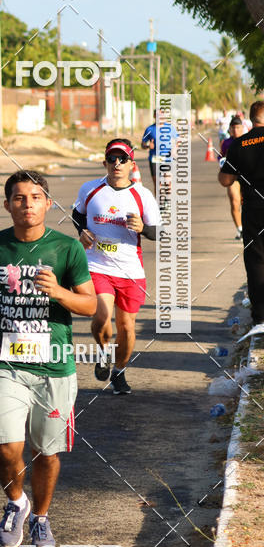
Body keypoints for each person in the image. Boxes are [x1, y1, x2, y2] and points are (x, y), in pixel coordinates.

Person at [0, 170, 96, 547]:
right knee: (6, 445)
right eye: (19, 198)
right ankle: (15, 503)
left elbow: (90, 304)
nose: (27, 204)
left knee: (47, 451)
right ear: (7, 204)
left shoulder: (66, 249)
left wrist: (58, 292)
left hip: (55, 366)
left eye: (35, 197)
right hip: (5, 363)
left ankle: (40, 517)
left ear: (48, 203)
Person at [72, 139, 160, 395]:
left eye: (123, 159)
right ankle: (102, 352)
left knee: (127, 327)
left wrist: (143, 228)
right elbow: (78, 214)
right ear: (105, 162)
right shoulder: (90, 189)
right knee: (100, 316)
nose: (117, 164)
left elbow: (157, 232)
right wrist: (83, 232)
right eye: (112, 159)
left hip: (130, 270)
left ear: (132, 164)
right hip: (97, 264)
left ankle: (119, 371)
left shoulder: (142, 195)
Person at [219, 101, 264, 330]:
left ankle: (260, 317)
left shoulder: (239, 144)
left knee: (256, 261)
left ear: (251, 118)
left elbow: (225, 179)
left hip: (254, 209)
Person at [141, 110, 179, 195]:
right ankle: (158, 204)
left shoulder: (170, 128)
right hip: (154, 158)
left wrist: (174, 149)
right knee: (157, 183)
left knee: (167, 181)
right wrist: (147, 146)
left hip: (167, 158)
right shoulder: (149, 129)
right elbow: (142, 144)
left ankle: (167, 201)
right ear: (154, 116)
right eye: (158, 115)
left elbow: (178, 140)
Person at [220, 116, 246, 239]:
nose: (235, 130)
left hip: (248, 177)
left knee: (247, 203)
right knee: (234, 201)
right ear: (230, 129)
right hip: (233, 177)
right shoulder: (226, 143)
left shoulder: (248, 140)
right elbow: (221, 157)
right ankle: (240, 229)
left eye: (238, 127)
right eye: (233, 128)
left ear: (242, 128)